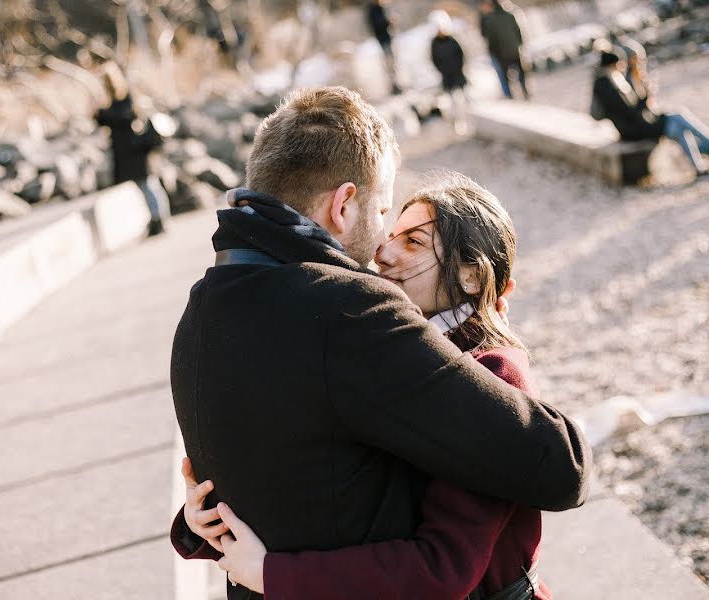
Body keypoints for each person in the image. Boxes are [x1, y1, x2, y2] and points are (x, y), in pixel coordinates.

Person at [169, 86, 590, 600]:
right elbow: (559, 462)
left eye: (410, 239)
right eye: (383, 213)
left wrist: (197, 522)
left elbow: (284, 458)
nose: (382, 251)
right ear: (344, 206)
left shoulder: (199, 313)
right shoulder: (350, 312)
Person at [591, 46, 709, 179]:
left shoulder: (605, 82)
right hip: (634, 131)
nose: (623, 67)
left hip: (633, 127)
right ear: (613, 64)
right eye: (620, 64)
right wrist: (646, 96)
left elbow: (628, 110)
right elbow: (630, 111)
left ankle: (703, 164)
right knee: (677, 117)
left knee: (679, 128)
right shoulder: (609, 85)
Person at [94, 62, 168, 236]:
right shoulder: (116, 100)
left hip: (135, 150)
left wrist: (103, 114)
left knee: (148, 184)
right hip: (129, 151)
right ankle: (157, 218)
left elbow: (122, 117)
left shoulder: (126, 98)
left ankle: (159, 219)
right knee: (146, 185)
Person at [429, 10, 470, 134]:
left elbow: (461, 54)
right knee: (451, 101)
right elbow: (434, 59)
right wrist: (442, 70)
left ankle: (466, 119)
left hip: (457, 73)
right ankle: (457, 123)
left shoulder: (452, 40)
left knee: (462, 98)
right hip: (446, 75)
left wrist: (460, 67)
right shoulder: (434, 43)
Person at [480, 0, 529, 100]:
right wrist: (519, 45)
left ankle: (510, 95)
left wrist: (493, 52)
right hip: (515, 50)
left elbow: (491, 38)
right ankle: (525, 91)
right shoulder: (510, 16)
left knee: (505, 76)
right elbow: (518, 31)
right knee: (521, 73)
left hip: (501, 54)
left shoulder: (490, 20)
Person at [366, 0, 402, 95]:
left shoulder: (383, 8)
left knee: (394, 63)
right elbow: (377, 25)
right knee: (389, 64)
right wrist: (388, 21)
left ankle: (397, 84)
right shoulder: (372, 11)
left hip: (389, 39)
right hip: (383, 41)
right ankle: (393, 86)